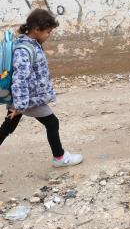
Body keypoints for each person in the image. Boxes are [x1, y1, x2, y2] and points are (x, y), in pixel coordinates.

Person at [0, 9, 83, 167]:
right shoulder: (24, 50)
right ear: (36, 29)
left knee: (8, 126)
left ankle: (59, 157)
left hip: (25, 98)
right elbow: (20, 79)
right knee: (52, 123)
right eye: (48, 32)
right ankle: (60, 158)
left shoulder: (30, 44)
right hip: (29, 99)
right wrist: (20, 105)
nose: (49, 35)